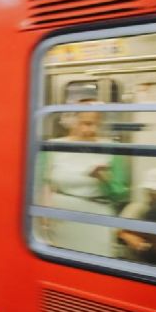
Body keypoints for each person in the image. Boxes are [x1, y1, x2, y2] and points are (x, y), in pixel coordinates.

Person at [39, 107, 130, 257]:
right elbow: (42, 185)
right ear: (72, 123)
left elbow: (120, 195)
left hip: (96, 218)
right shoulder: (52, 147)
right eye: (86, 124)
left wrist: (105, 179)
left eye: (96, 124)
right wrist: (44, 220)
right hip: (61, 218)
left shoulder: (112, 149)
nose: (92, 129)